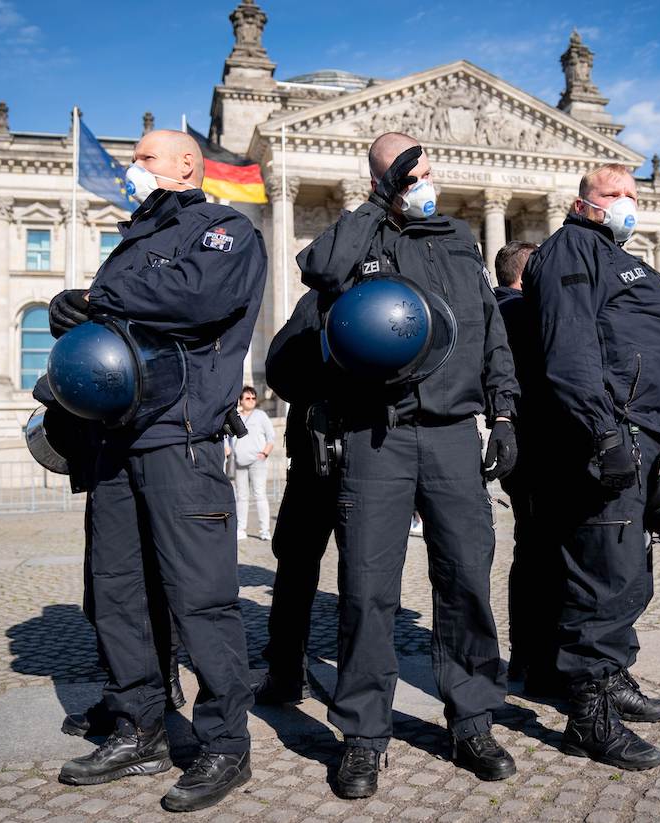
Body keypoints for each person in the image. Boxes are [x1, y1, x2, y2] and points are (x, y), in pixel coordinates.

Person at [47, 129, 267, 813]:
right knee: (118, 592)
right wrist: (74, 309)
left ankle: (224, 742)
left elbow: (196, 298)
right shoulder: (136, 237)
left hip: (182, 433)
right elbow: (123, 307)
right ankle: (139, 724)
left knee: (199, 596)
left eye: (144, 158)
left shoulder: (223, 227)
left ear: (184, 166)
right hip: (114, 436)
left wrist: (102, 297)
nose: (133, 167)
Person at [297, 132, 520, 799]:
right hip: (375, 433)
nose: (424, 181)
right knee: (367, 589)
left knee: (466, 580)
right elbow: (321, 271)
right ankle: (364, 735)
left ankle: (473, 718)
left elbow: (490, 330)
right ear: (380, 180)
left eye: (423, 171)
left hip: (452, 431)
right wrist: (376, 203)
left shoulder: (458, 238)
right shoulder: (358, 235)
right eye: (407, 174)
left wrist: (505, 413)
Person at [521, 162, 660, 772]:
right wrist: (603, 433)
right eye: (613, 193)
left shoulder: (616, 255)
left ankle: (612, 676)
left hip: (641, 430)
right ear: (582, 201)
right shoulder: (573, 249)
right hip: (604, 436)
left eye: (632, 194)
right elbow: (571, 350)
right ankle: (588, 713)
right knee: (601, 573)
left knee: (626, 568)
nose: (626, 202)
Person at [251, 289, 340, 705]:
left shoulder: (320, 299)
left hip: (316, 455)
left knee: (296, 569)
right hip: (378, 454)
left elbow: (279, 368)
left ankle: (286, 673)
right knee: (365, 577)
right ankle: (359, 686)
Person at [491, 240, 559, 687]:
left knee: (530, 547)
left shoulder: (494, 310)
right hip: (536, 445)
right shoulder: (520, 313)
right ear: (526, 275)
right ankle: (538, 659)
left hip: (518, 445)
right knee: (544, 551)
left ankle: (525, 654)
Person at [228, 386, 275, 541]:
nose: (251, 400)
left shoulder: (261, 415)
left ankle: (264, 530)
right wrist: (228, 449)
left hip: (257, 461)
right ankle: (241, 529)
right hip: (239, 462)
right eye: (248, 398)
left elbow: (271, 437)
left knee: (260, 495)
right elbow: (227, 437)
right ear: (241, 400)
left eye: (254, 398)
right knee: (241, 497)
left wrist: (265, 453)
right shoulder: (236, 416)